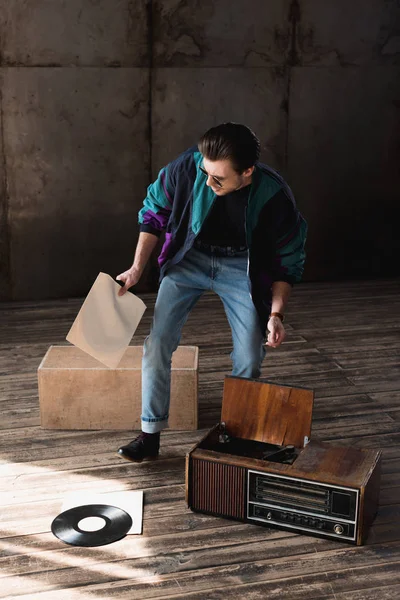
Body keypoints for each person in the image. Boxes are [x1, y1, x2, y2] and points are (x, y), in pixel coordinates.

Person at [116, 122, 307, 462]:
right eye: (206, 172)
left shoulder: (274, 195)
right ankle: (149, 436)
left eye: (218, 178)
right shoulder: (187, 167)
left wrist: (276, 314)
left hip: (242, 267)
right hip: (190, 257)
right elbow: (153, 213)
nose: (207, 181)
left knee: (250, 357)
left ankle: (231, 439)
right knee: (157, 343)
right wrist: (136, 268)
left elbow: (288, 260)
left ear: (247, 171)